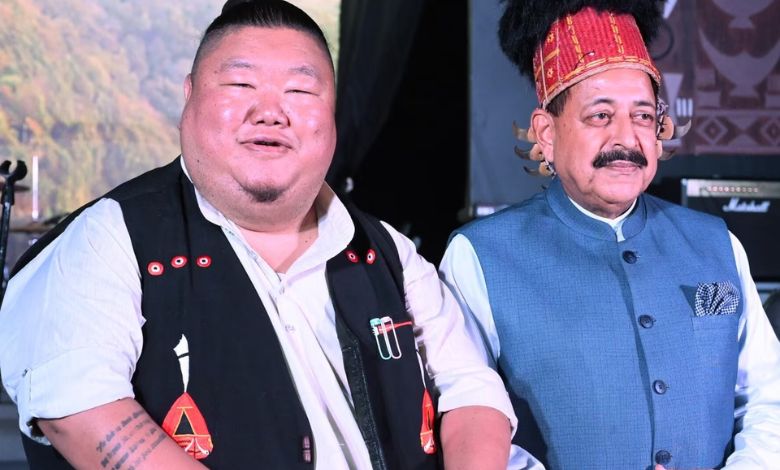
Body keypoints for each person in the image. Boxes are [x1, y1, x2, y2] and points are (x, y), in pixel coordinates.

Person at [0, 1, 516, 468]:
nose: (270, 112)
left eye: (300, 91)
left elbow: (472, 393)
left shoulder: (386, 252)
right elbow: (80, 410)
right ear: (189, 96)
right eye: (240, 85)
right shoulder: (109, 238)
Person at [439, 0, 780, 469]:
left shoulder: (715, 244)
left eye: (643, 116)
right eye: (600, 116)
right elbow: (468, 417)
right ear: (547, 133)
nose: (626, 138)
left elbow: (767, 396)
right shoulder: (481, 257)